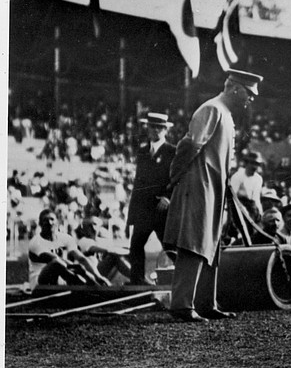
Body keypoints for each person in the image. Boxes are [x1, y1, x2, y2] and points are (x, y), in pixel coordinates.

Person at [163, 69, 263, 322]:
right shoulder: (212, 109)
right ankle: (182, 305)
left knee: (212, 244)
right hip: (200, 185)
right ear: (235, 88)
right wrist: (174, 177)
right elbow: (190, 145)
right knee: (195, 243)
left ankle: (207, 303)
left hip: (215, 187)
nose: (250, 99)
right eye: (249, 94)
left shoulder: (226, 114)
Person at [126, 112, 176, 285]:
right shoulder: (142, 151)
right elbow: (138, 185)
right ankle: (137, 283)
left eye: (159, 127)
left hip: (162, 210)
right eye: (151, 126)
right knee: (136, 246)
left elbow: (179, 178)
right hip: (143, 210)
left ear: (165, 130)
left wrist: (168, 198)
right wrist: (131, 217)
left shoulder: (172, 151)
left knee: (170, 247)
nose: (154, 130)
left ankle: (189, 281)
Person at [28, 208, 112, 288]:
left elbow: (81, 258)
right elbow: (56, 259)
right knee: (57, 263)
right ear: (40, 224)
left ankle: (94, 285)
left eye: (52, 219)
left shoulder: (65, 238)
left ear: (57, 221)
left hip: (60, 279)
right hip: (39, 283)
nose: (50, 223)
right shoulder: (36, 242)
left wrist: (98, 276)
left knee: (88, 260)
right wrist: (83, 272)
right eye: (45, 220)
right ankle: (86, 286)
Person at [76, 216, 132, 283]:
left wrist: (129, 252)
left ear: (99, 227)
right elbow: (109, 251)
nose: (93, 228)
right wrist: (128, 252)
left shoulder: (101, 241)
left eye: (95, 225)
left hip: (99, 272)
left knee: (122, 257)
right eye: (89, 226)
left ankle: (137, 279)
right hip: (89, 274)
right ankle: (136, 278)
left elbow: (115, 249)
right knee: (114, 257)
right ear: (83, 228)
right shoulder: (83, 241)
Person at [230, 151, 265, 222]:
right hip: (237, 205)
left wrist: (260, 212)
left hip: (251, 206)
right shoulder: (237, 176)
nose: (254, 167)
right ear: (246, 163)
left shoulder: (258, 179)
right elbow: (232, 196)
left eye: (257, 164)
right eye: (252, 163)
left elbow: (256, 198)